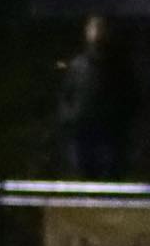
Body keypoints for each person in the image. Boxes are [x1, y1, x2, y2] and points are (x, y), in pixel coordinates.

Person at [57, 14, 136, 179]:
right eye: (93, 28)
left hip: (109, 134)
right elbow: (66, 95)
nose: (97, 33)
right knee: (83, 178)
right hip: (82, 133)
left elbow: (130, 98)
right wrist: (69, 118)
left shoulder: (119, 68)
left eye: (101, 27)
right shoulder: (78, 66)